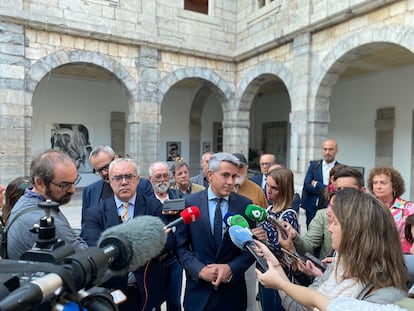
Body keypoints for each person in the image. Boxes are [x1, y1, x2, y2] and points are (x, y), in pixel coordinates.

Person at [256, 188, 408, 310]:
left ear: (355, 231)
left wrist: (280, 282)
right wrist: (274, 264)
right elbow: (300, 305)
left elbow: (312, 301)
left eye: (335, 222)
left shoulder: (387, 297)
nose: (329, 229)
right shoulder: (338, 267)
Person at [81, 158, 174, 311]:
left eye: (129, 176)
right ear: (110, 181)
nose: (124, 182)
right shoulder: (95, 214)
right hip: (112, 290)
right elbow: (95, 250)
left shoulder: (153, 206)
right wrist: (146, 242)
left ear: (137, 180)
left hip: (147, 289)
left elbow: (169, 241)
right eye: (118, 177)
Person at [175, 152, 255, 311]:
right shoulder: (190, 203)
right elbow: (181, 247)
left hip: (232, 296)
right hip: (198, 296)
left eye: (234, 176)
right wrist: (200, 270)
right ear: (210, 175)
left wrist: (231, 268)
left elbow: (251, 249)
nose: (231, 182)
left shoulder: (244, 205)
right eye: (225, 175)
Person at [7, 150, 88, 260]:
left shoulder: (24, 200)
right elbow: (84, 257)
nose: (73, 190)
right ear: (39, 183)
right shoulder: (42, 219)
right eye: (65, 185)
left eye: (74, 182)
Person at [284, 166, 365, 260]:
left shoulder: (373, 218)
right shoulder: (323, 215)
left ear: (362, 191)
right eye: (338, 190)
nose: (342, 195)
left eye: (347, 190)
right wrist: (294, 236)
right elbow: (308, 246)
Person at [258, 167, 299, 311]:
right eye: (267, 185)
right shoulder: (267, 210)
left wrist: (262, 237)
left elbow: (282, 247)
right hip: (265, 270)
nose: (268, 190)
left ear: (284, 190)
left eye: (274, 188)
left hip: (280, 274)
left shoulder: (288, 215)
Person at [81, 145, 152, 226]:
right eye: (98, 170)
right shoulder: (90, 192)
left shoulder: (143, 186)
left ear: (116, 158)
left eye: (106, 167)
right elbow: (86, 226)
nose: (104, 173)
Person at [148, 161, 185, 311]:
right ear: (151, 179)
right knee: (153, 301)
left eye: (165, 176)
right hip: (153, 259)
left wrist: (177, 212)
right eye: (158, 177)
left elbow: (187, 218)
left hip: (174, 258)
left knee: (174, 301)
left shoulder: (178, 195)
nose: (162, 180)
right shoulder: (146, 199)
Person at [232, 153, 268, 311]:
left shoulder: (256, 190)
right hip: (223, 253)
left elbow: (263, 219)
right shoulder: (222, 188)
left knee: (248, 299)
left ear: (246, 168)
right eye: (235, 167)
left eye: (241, 167)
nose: (238, 171)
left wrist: (256, 232)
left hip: (248, 253)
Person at [368, 166, 414, 253]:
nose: (378, 186)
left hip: (402, 257)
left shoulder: (408, 208)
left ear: (394, 186)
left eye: (383, 183)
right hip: (372, 256)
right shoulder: (367, 207)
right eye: (375, 183)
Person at [302, 139, 340, 227]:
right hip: (312, 208)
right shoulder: (314, 166)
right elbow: (307, 185)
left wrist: (317, 185)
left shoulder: (340, 169)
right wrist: (327, 189)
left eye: (330, 149)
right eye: (325, 149)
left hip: (331, 209)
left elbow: (336, 189)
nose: (327, 152)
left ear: (336, 150)